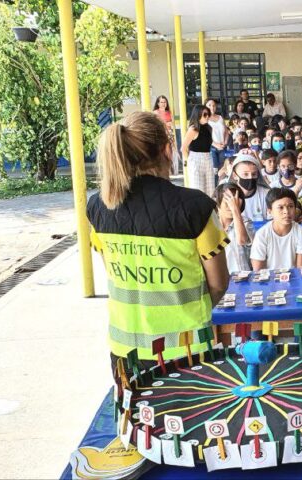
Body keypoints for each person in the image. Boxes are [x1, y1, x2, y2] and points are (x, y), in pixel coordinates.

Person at [87, 111, 229, 370]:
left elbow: (113, 272)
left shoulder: (98, 206)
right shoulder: (194, 206)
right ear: (166, 150)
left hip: (124, 353)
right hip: (187, 352)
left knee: (134, 412)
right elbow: (218, 284)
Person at [250, 188, 302, 270]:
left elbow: (300, 269)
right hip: (268, 280)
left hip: (294, 279)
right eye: (280, 207)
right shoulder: (262, 234)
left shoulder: (301, 232)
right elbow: (258, 271)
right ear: (270, 211)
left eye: (290, 206)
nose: (286, 211)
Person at [216, 181, 253, 274]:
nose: (231, 205)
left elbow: (242, 240)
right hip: (221, 279)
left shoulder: (245, 222)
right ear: (217, 204)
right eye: (228, 201)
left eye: (235, 201)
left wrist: (235, 210)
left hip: (243, 276)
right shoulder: (211, 225)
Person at [181, 105, 215, 196]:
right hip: (195, 158)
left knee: (210, 188)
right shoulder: (193, 129)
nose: (207, 116)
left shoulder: (209, 128)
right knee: (198, 189)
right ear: (198, 115)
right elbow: (184, 147)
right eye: (204, 114)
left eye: (208, 114)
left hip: (208, 157)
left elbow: (207, 143)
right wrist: (187, 161)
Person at [230, 155, 269, 222]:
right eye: (245, 174)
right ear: (235, 176)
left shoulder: (267, 194)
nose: (250, 178)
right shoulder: (229, 197)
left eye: (254, 174)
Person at [152, 95, 177, 173]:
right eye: (161, 102)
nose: (163, 103)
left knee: (169, 153)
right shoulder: (155, 113)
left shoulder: (169, 112)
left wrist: (168, 124)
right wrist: (166, 123)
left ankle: (169, 170)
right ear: (158, 103)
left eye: (165, 102)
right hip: (160, 135)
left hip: (169, 134)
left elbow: (172, 124)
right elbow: (155, 124)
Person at [206, 99, 229, 178]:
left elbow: (226, 131)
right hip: (211, 147)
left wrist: (225, 142)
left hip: (222, 147)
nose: (212, 107)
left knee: (223, 169)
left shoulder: (220, 117)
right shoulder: (205, 119)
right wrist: (215, 144)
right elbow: (205, 136)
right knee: (214, 170)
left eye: (214, 105)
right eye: (209, 105)